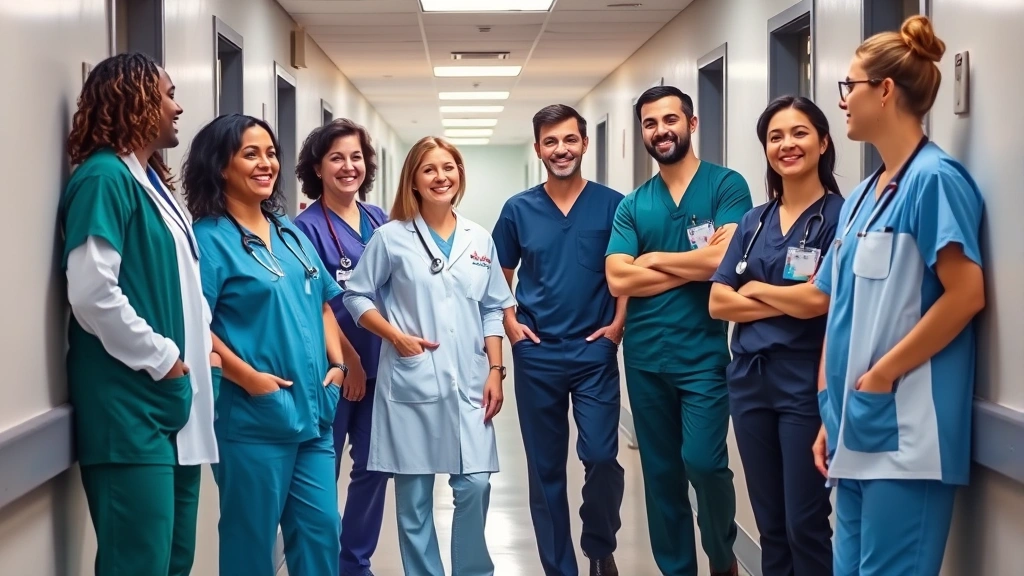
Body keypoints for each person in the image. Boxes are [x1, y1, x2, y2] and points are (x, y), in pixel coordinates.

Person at [812, 15, 985, 576]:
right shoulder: (863, 194)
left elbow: (964, 295)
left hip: (908, 434)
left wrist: (882, 375)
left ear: (885, 91)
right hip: (853, 425)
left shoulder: (935, 180)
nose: (842, 102)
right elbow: (840, 308)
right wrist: (827, 410)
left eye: (849, 87)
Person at [60, 52, 219, 576]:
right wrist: (165, 358)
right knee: (138, 564)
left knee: (173, 561)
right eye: (169, 94)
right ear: (136, 100)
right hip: (131, 409)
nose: (178, 107)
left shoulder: (150, 181)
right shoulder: (105, 178)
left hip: (173, 408)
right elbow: (91, 293)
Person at [183, 114, 349, 576]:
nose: (266, 163)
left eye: (271, 153)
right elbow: (197, 325)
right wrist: (252, 380)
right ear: (221, 166)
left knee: (321, 532)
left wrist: (338, 366)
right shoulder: (209, 240)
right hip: (255, 418)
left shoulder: (288, 230)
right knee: (250, 541)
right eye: (250, 154)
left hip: (315, 412)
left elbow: (322, 302)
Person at [342, 136, 515, 576]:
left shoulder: (479, 238)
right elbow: (356, 295)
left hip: (472, 382)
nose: (441, 177)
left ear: (460, 174)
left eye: (449, 167)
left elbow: (494, 306)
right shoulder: (390, 238)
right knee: (415, 503)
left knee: (475, 484)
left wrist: (495, 369)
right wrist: (394, 336)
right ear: (413, 181)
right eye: (429, 169)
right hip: (412, 381)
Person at [604, 85, 752, 576]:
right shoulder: (634, 204)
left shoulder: (726, 186)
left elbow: (724, 261)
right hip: (645, 358)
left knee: (705, 464)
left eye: (670, 120)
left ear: (692, 123)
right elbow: (617, 276)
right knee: (661, 473)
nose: (660, 130)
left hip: (704, 356)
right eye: (650, 123)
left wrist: (656, 259)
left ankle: (722, 555)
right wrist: (696, 263)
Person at [708, 96, 843, 576]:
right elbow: (718, 302)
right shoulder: (754, 221)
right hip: (748, 381)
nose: (787, 144)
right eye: (775, 136)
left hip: (804, 383)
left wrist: (757, 289)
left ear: (824, 141)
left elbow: (820, 302)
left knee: (805, 521)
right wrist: (785, 295)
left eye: (800, 133)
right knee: (769, 522)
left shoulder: (839, 218)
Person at [492, 104, 625, 576]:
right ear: (538, 149)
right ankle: (559, 568)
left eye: (569, 139)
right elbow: (497, 276)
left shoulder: (613, 204)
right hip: (538, 353)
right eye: (550, 142)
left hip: (594, 350)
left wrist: (618, 325)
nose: (560, 149)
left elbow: (624, 273)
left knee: (602, 457)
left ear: (585, 144)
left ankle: (599, 542)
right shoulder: (518, 209)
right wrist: (510, 323)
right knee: (545, 469)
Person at [293, 118, 389, 576]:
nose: (348, 167)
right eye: (336, 158)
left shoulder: (380, 220)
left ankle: (356, 564)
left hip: (382, 370)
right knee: (320, 477)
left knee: (373, 471)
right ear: (318, 167)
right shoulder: (303, 229)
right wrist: (347, 361)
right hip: (332, 374)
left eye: (355, 157)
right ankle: (320, 564)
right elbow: (317, 305)